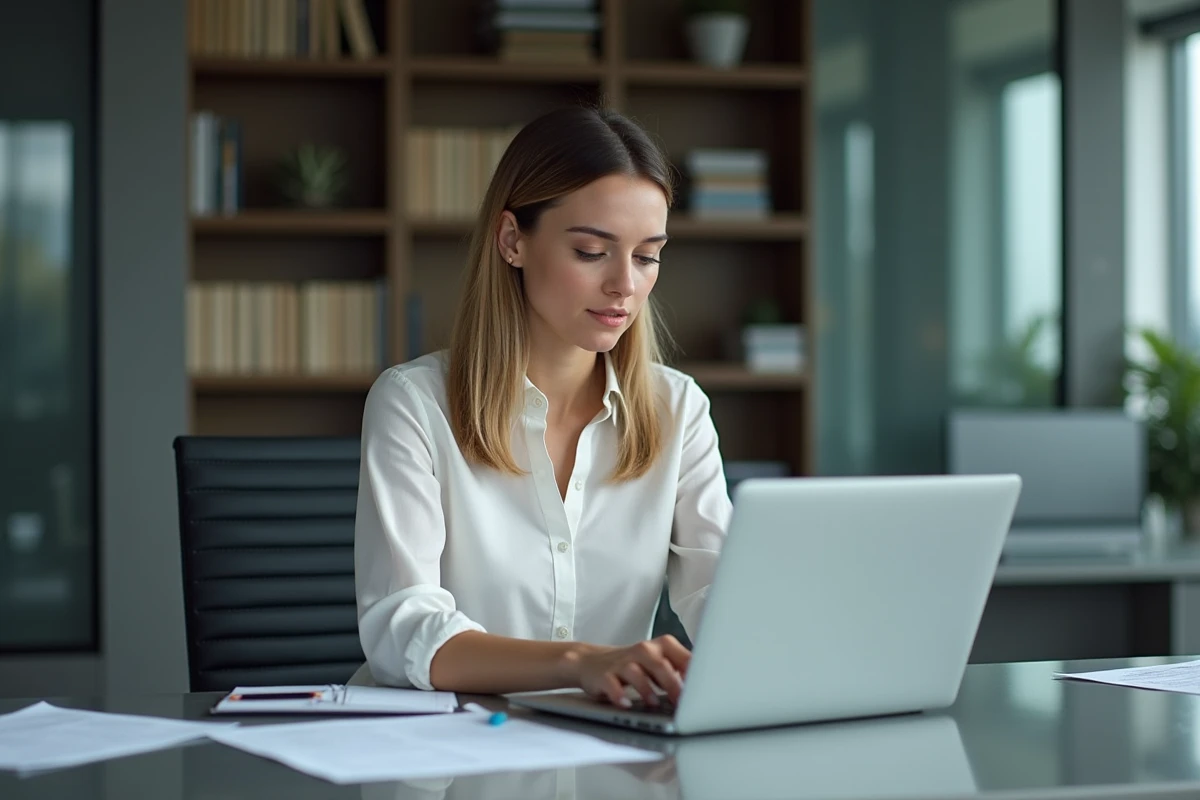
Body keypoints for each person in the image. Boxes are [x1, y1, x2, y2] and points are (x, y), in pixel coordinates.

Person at [351, 106, 732, 709]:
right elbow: (403, 631)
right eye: (591, 251)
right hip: (439, 743)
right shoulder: (414, 404)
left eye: (647, 256)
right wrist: (580, 663)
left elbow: (727, 600)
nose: (624, 285)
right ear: (512, 241)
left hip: (602, 743)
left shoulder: (677, 409)